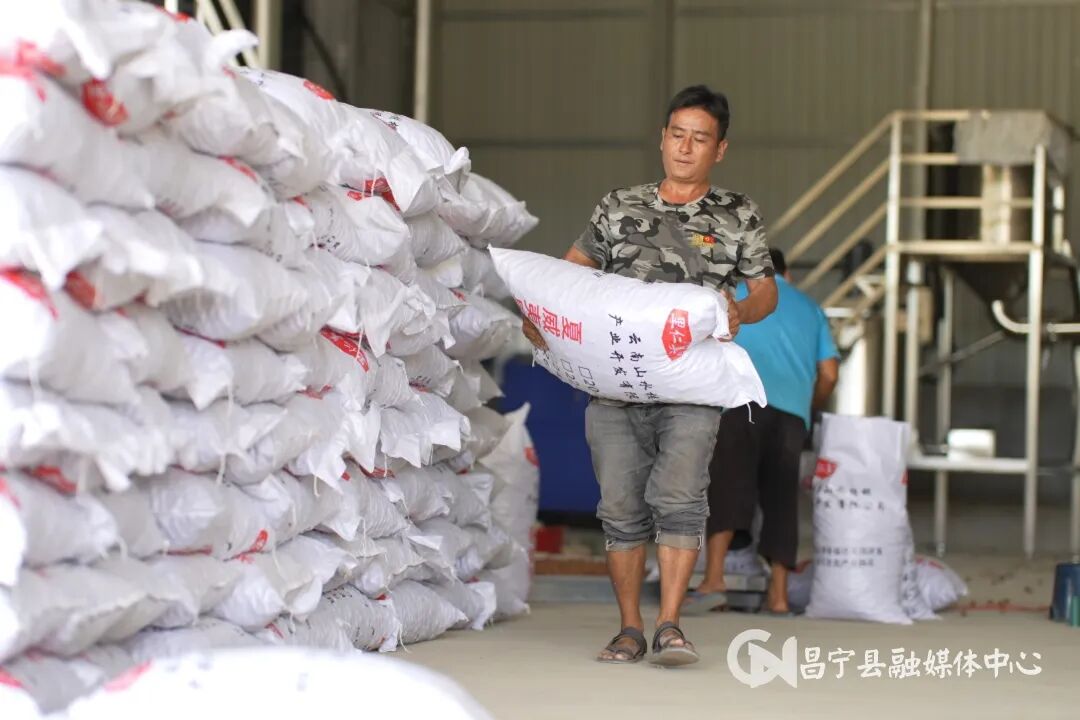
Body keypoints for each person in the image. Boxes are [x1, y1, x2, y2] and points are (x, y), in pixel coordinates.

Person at [520, 85, 778, 666]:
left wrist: (741, 310)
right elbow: (571, 273)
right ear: (662, 138)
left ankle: (670, 625)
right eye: (677, 135)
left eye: (699, 139)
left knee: (681, 500)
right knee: (619, 508)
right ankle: (629, 628)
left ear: (720, 149)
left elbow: (766, 290)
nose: (685, 147)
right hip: (615, 381)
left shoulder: (737, 213)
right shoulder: (618, 206)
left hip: (691, 385)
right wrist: (541, 315)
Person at [684, 247, 839, 617]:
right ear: (788, 274)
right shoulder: (811, 308)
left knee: (728, 488)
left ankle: (714, 581)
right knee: (782, 498)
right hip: (791, 416)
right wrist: (808, 405)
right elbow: (830, 374)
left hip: (740, 405)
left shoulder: (732, 299)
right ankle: (779, 596)